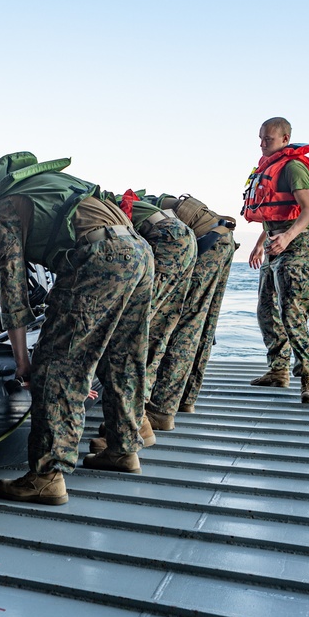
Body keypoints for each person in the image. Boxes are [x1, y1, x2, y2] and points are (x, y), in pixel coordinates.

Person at [0, 153, 153, 506]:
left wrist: (24, 361)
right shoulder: (47, 186)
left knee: (58, 365)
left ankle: (46, 476)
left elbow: (13, 292)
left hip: (100, 255)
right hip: (140, 251)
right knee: (124, 355)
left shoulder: (2, 209)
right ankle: (123, 448)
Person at [89, 190, 196, 452]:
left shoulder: (89, 213)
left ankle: (135, 426)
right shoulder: (103, 204)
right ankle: (150, 419)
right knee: (157, 332)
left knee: (128, 337)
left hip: (162, 241)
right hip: (183, 239)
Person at [243, 116, 309, 404]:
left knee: (292, 312)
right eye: (261, 138)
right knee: (266, 310)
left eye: (268, 138)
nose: (263, 143)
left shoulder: (294, 168)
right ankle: (278, 371)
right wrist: (260, 244)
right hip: (273, 243)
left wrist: (287, 238)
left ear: (285, 139)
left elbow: (308, 212)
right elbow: (272, 215)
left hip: (296, 245)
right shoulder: (268, 168)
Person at [144, 193, 238, 424]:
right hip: (221, 237)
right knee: (201, 323)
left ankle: (160, 410)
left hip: (205, 241)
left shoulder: (120, 215)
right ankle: (185, 398)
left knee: (180, 325)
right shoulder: (137, 204)